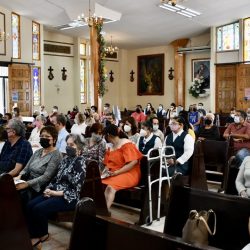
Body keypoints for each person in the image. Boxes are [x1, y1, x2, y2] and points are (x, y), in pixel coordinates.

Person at [26, 134, 86, 248]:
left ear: (79, 146)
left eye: (72, 145)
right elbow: (56, 178)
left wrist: (55, 193)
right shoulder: (65, 159)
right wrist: (48, 188)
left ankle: (38, 236)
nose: (69, 147)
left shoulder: (80, 162)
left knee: (39, 208)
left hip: (69, 197)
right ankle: (39, 234)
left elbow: (75, 188)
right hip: (55, 191)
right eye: (67, 144)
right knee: (30, 205)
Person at [15, 126, 62, 206]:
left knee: (20, 196)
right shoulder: (38, 151)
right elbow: (27, 168)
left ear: (54, 139)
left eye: (47, 136)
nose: (44, 138)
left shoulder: (56, 155)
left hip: (40, 187)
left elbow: (46, 177)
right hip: (27, 180)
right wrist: (19, 176)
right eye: (42, 136)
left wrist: (27, 184)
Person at [101, 124, 143, 209]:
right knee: (97, 183)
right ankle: (99, 209)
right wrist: (105, 172)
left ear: (108, 135)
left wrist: (117, 172)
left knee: (110, 187)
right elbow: (107, 164)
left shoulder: (126, 144)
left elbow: (133, 162)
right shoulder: (111, 147)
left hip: (129, 173)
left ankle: (104, 211)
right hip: (115, 173)